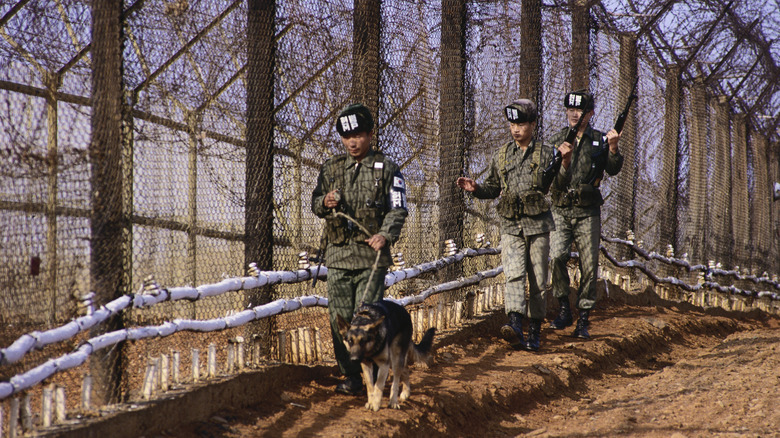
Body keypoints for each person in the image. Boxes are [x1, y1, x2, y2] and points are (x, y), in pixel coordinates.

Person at [456, 99, 572, 351]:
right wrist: (476, 189)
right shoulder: (501, 154)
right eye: (512, 124)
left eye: (521, 123)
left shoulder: (548, 152)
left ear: (533, 124)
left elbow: (560, 185)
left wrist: (564, 162)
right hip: (511, 224)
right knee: (514, 274)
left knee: (539, 279)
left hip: (538, 224)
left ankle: (535, 331)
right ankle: (515, 325)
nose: (516, 129)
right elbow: (493, 188)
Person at [311, 103, 408, 395]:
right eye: (346, 136)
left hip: (370, 258)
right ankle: (352, 375)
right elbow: (315, 203)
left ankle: (375, 373)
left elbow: (398, 208)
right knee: (339, 319)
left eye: (358, 135)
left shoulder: (387, 169)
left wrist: (385, 235)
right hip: (339, 256)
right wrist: (324, 201)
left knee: (364, 319)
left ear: (370, 134)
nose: (352, 142)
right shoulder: (331, 168)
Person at [548, 89, 623, 339]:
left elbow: (613, 169)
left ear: (590, 114)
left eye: (579, 111)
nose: (574, 115)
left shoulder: (600, 140)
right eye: (570, 110)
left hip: (588, 209)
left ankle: (584, 318)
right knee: (557, 256)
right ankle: (562, 307)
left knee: (588, 263)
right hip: (561, 207)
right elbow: (549, 176)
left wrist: (613, 148)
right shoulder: (558, 139)